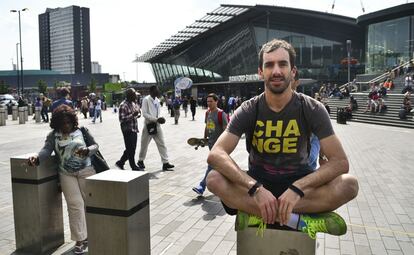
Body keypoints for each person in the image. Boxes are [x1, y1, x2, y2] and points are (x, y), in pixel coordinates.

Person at [206, 39, 358, 239]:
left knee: (349, 184)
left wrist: (298, 188)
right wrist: (255, 189)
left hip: (301, 188)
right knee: (214, 178)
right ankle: (297, 220)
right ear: (261, 72)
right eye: (269, 65)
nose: (276, 70)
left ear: (292, 71)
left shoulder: (312, 108)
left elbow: (340, 162)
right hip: (258, 183)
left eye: (282, 64)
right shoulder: (249, 108)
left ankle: (255, 214)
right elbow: (216, 153)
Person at [27, 105, 98, 254]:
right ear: (57, 123)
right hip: (66, 174)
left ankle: (92, 235)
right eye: (62, 123)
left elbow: (95, 146)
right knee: (75, 205)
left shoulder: (82, 131)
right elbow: (47, 149)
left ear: (73, 121)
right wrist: (37, 157)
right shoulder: (54, 135)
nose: (66, 126)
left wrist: (88, 150)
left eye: (68, 122)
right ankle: (80, 240)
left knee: (89, 204)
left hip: (87, 171)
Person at [192, 93, 229, 196]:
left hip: (220, 146)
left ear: (216, 101)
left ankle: (201, 186)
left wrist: (224, 145)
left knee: (211, 165)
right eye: (207, 101)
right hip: (211, 144)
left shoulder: (221, 114)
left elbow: (226, 130)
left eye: (211, 101)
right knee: (221, 166)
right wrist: (204, 139)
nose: (209, 103)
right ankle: (228, 185)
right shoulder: (207, 113)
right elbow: (207, 126)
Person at [138, 85, 175, 171]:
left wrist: (161, 118)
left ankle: (165, 163)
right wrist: (156, 119)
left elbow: (158, 112)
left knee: (161, 143)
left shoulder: (157, 100)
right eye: (156, 90)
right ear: (151, 91)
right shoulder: (146, 100)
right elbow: (144, 114)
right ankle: (140, 160)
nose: (158, 92)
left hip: (157, 125)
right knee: (144, 144)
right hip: (149, 125)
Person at [116, 88, 142, 171]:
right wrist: (132, 115)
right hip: (127, 129)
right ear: (130, 95)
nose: (136, 96)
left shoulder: (133, 103)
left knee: (131, 148)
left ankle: (120, 162)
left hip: (134, 128)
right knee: (131, 148)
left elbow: (136, 113)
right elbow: (122, 119)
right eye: (134, 94)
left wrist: (138, 114)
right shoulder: (123, 105)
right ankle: (133, 166)